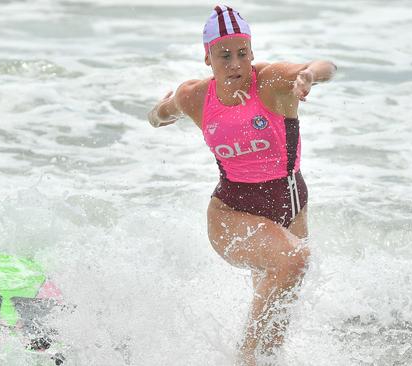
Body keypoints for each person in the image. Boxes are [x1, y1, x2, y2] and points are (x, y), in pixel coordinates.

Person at [147, 5, 336, 365]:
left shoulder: (271, 81)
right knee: (293, 260)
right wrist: (159, 115)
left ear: (251, 52)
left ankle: (263, 360)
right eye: (224, 55)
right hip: (230, 212)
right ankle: (244, 359)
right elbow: (160, 113)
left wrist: (309, 76)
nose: (235, 63)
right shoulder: (196, 96)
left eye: (242, 53)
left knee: (278, 311)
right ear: (207, 57)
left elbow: (325, 65)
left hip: (290, 205)